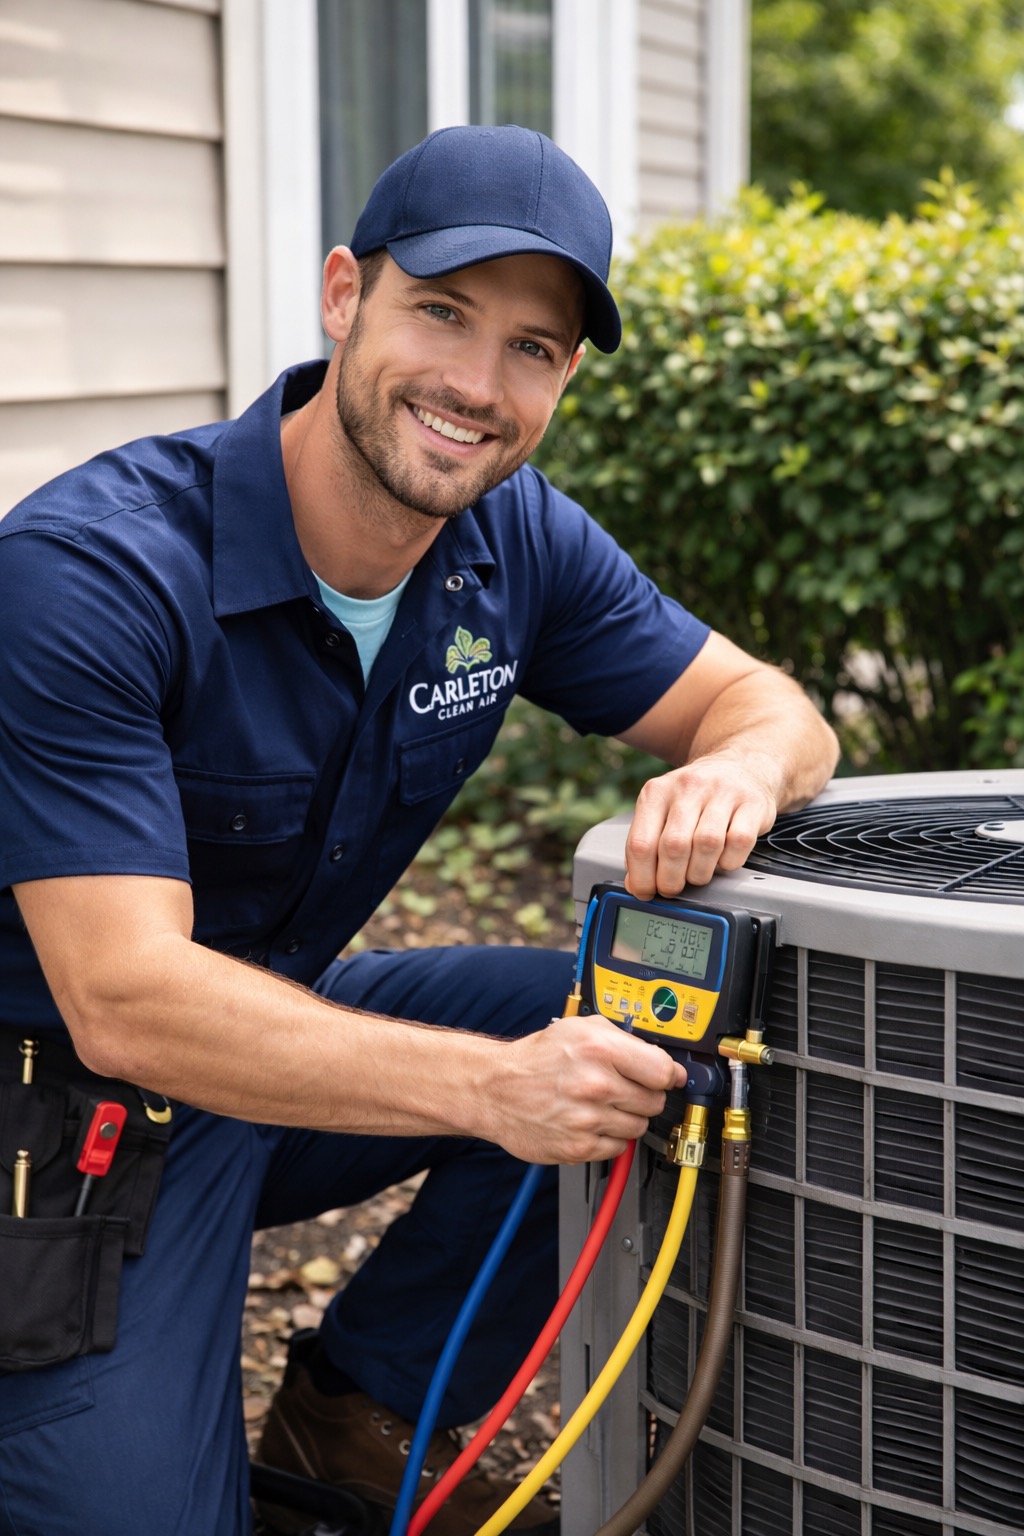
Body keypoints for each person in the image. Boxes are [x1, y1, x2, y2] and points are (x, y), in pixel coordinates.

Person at [0, 125, 838, 1536]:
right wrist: (488, 1089)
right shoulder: (93, 574)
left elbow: (773, 707)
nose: (474, 383)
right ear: (344, 298)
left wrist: (740, 769)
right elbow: (126, 1000)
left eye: (532, 346)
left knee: (639, 1025)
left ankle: (352, 1415)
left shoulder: (519, 550)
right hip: (49, 1110)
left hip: (255, 1058)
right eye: (441, 312)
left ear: (566, 380)